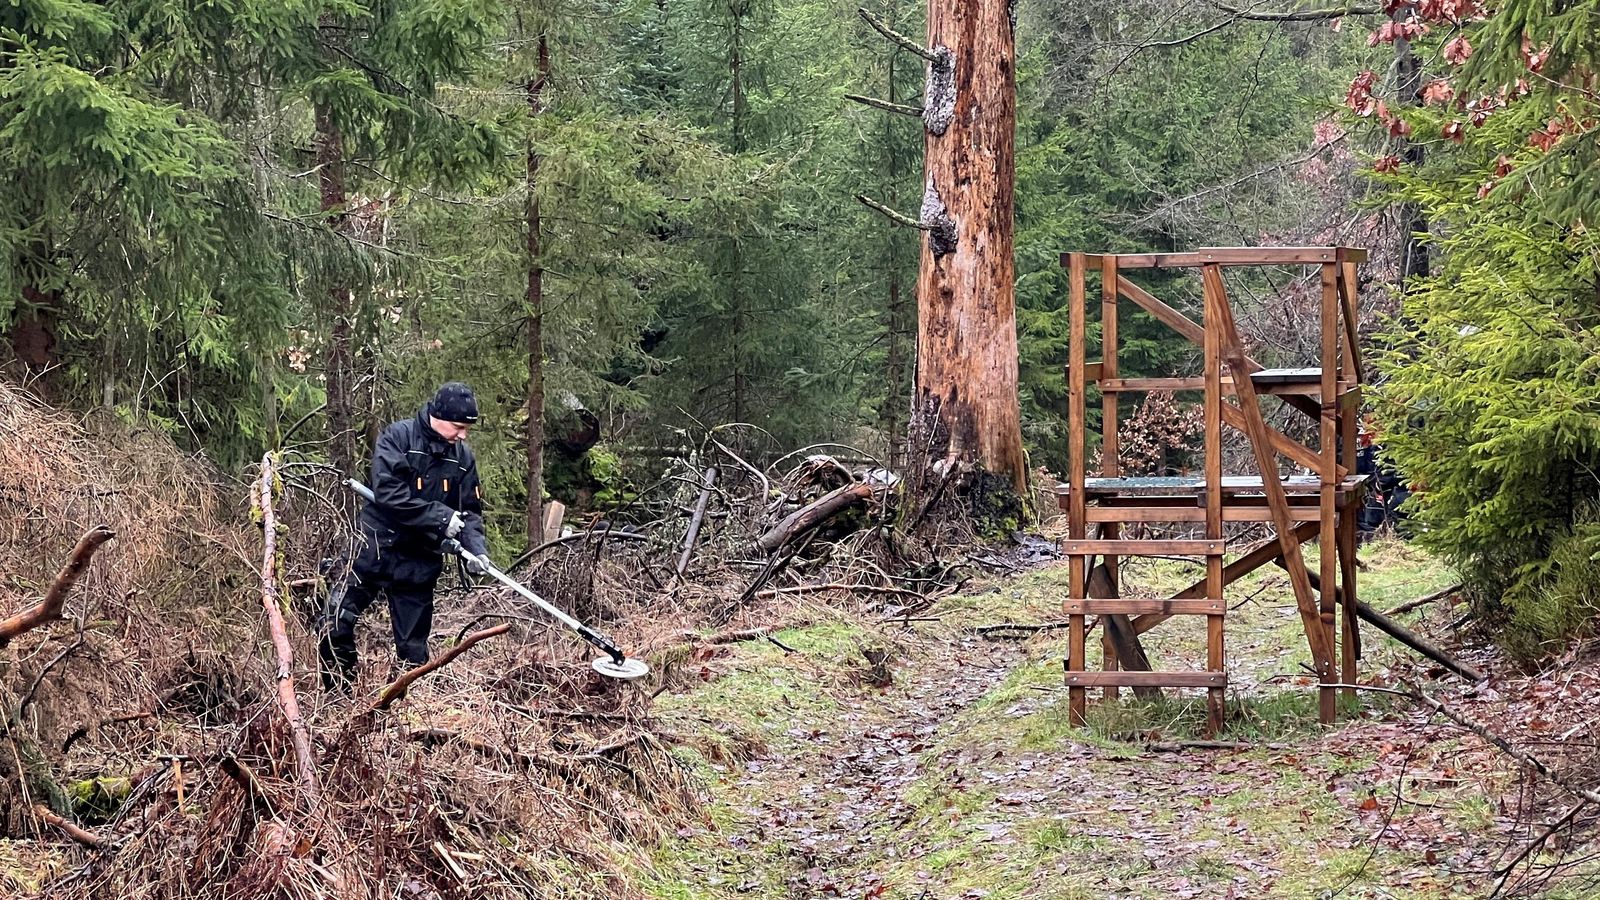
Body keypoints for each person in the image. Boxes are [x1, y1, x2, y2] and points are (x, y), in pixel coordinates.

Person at [319, 382, 493, 690]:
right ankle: (340, 698)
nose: (463, 435)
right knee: (336, 621)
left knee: (413, 652)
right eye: (458, 427)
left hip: (418, 560)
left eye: (467, 429)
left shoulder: (462, 458)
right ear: (437, 416)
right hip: (373, 548)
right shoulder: (398, 438)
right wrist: (440, 516)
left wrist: (476, 551)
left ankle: (405, 713)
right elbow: (388, 492)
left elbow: (470, 512)